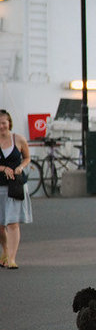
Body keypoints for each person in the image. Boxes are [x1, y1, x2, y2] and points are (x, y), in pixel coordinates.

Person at [0, 110, 32, 270]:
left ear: (9, 123)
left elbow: (27, 157)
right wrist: (3, 167)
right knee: (0, 224)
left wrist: (20, 167)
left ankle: (12, 258)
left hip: (15, 186)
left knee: (13, 223)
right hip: (0, 186)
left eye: (4, 122)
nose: (1, 126)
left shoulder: (18, 139)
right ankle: (5, 252)